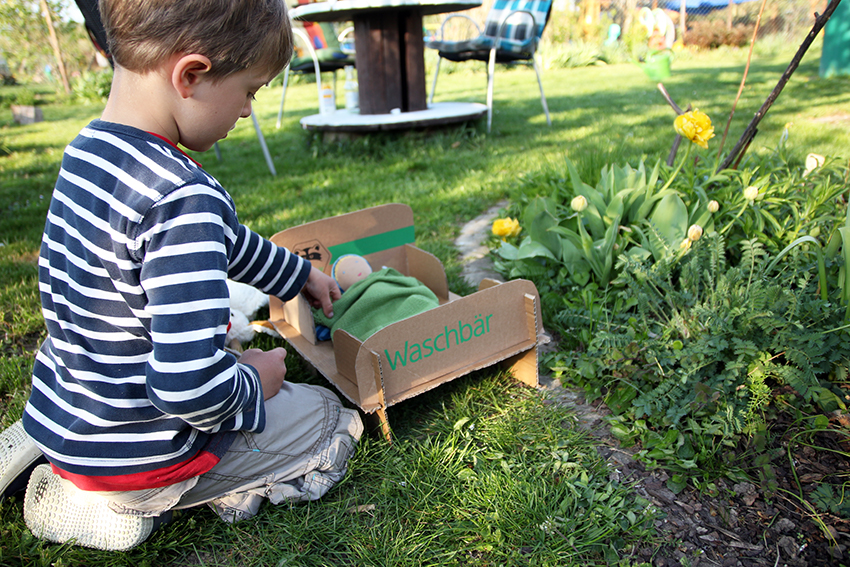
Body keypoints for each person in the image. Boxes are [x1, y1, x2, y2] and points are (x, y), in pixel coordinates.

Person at [1, 0, 362, 551]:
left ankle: (80, 476)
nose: (246, 111)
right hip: (142, 451)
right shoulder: (182, 196)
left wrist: (296, 275)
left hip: (74, 417)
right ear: (191, 75)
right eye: (250, 90)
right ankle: (155, 498)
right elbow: (185, 385)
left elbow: (225, 241)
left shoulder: (87, 154)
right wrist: (256, 384)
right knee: (324, 417)